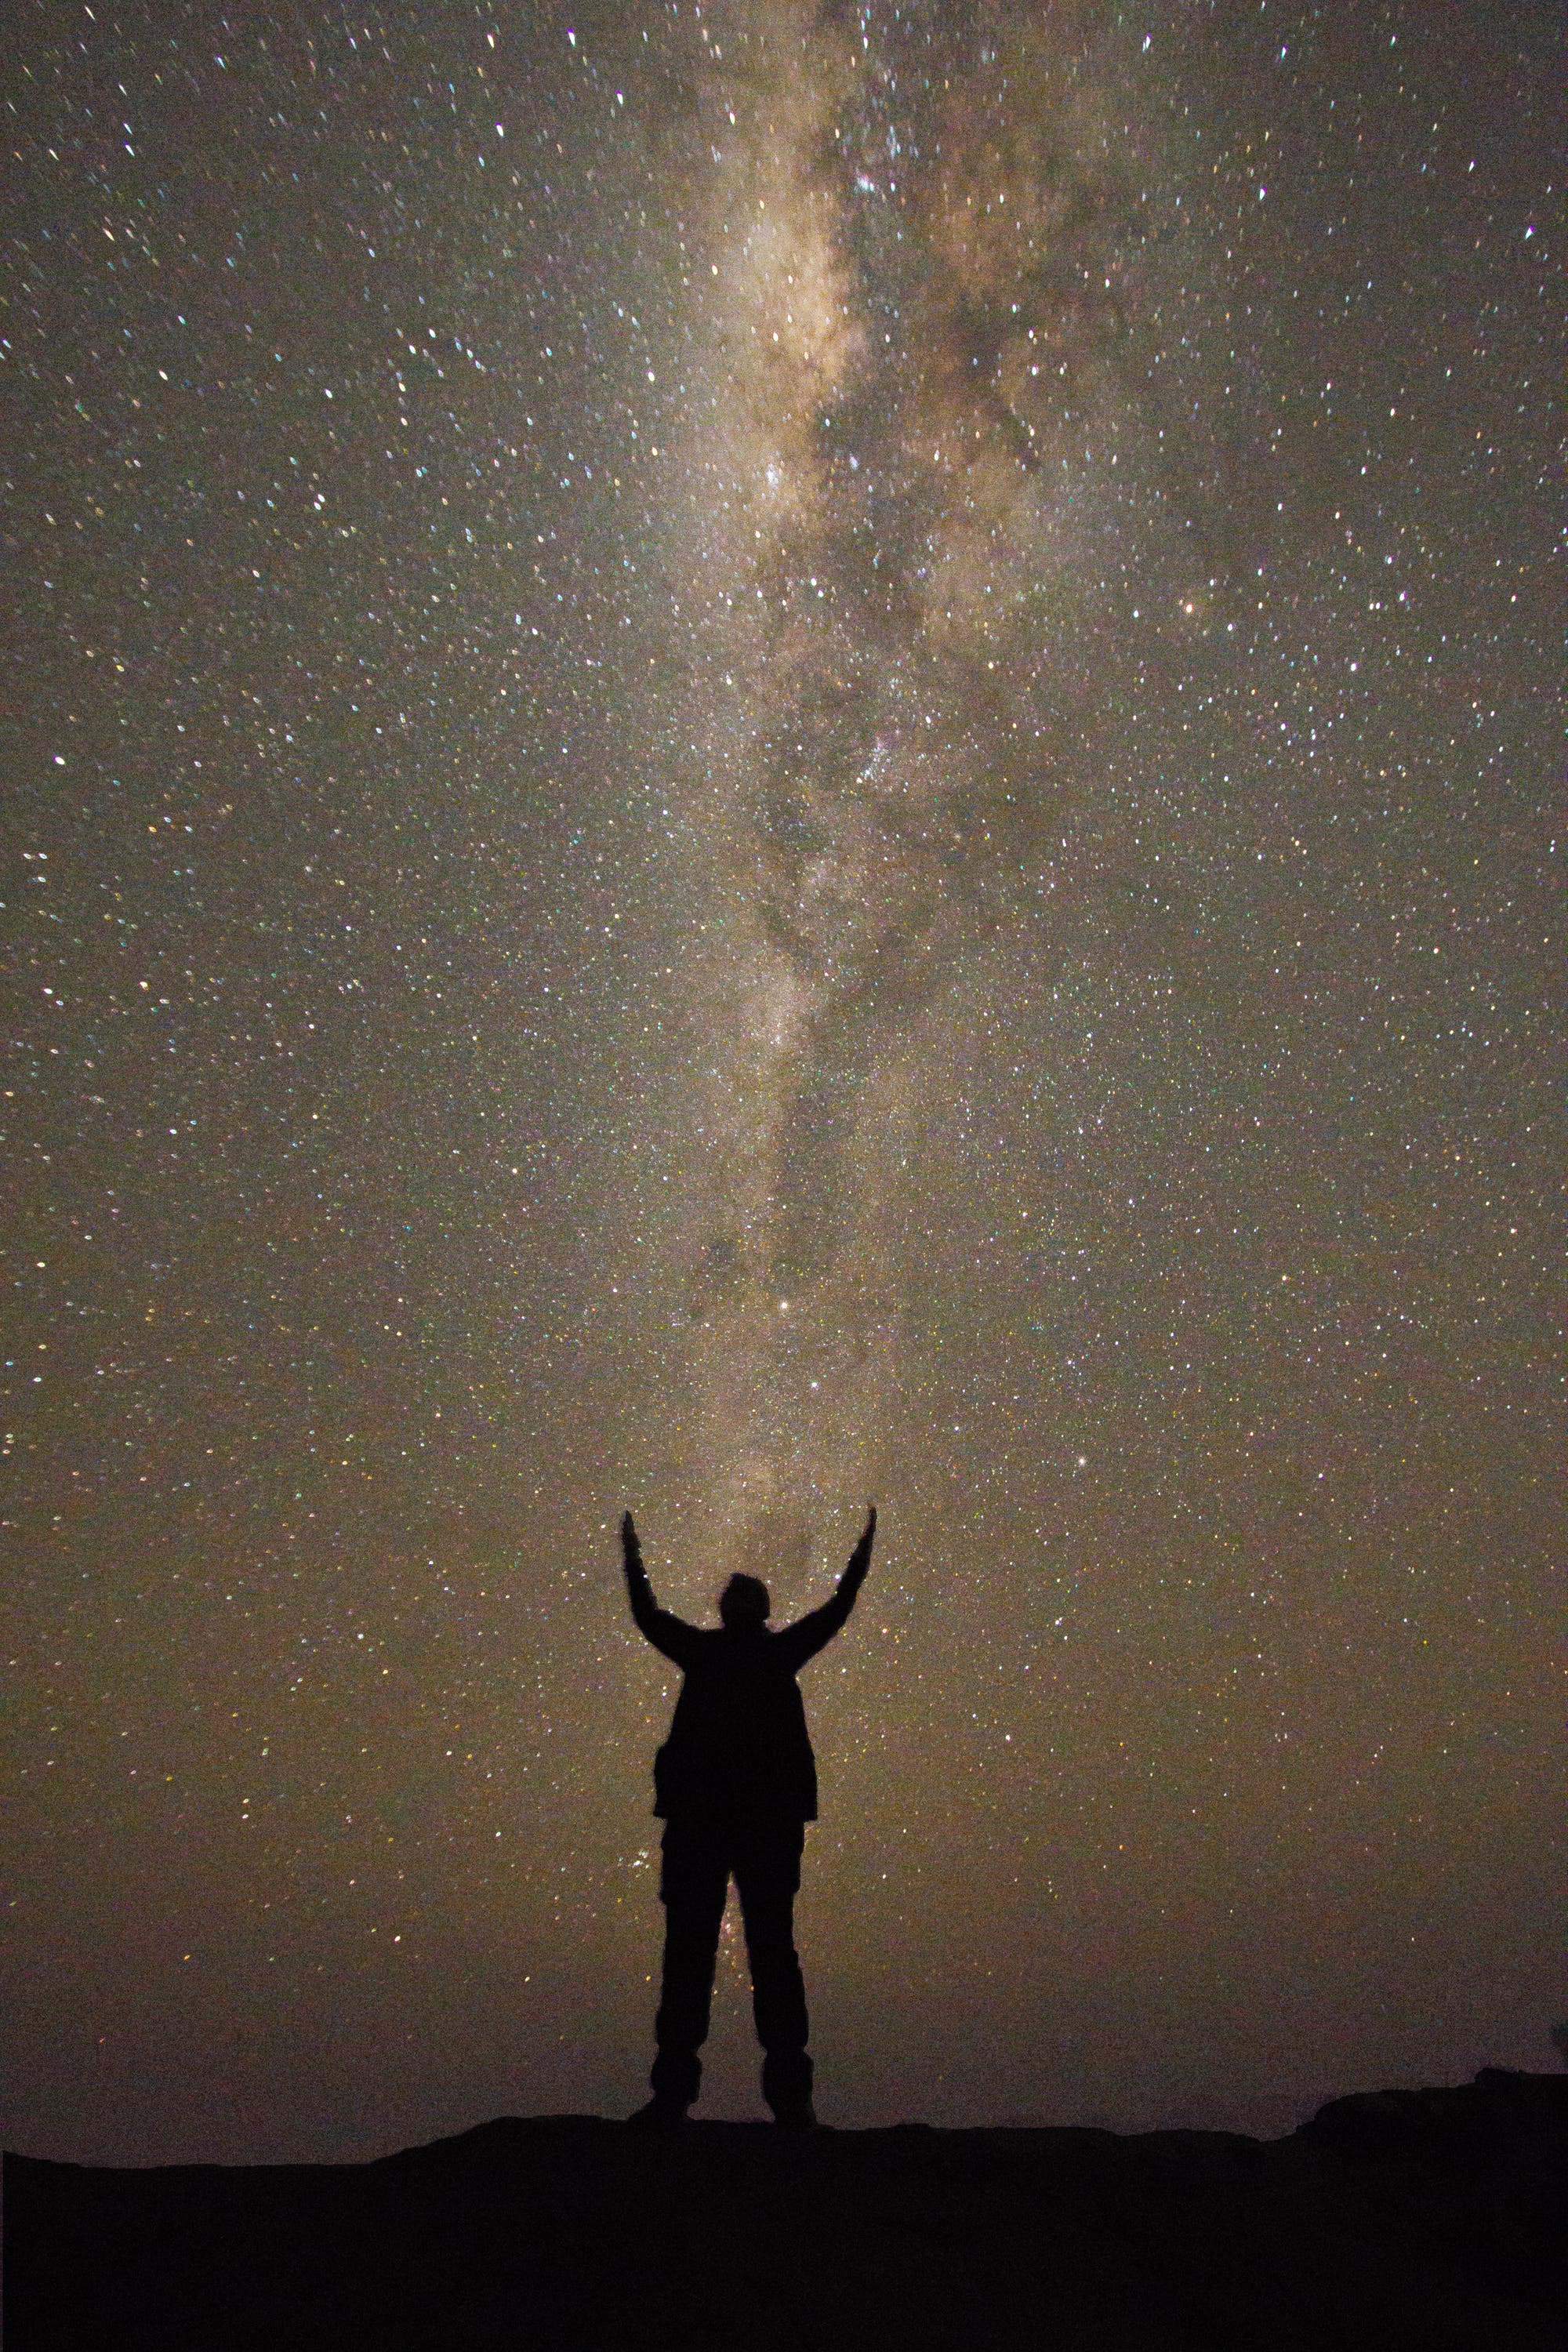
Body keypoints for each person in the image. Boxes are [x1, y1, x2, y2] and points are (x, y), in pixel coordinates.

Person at [620, 1504, 877, 2127]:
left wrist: (632, 1558)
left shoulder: (715, 1655)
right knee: (738, 1951)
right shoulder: (752, 1655)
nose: (732, 1599)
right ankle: (746, 2096)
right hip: (740, 1824)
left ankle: (753, 2096)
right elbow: (649, 1616)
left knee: (731, 1951)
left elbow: (649, 1616)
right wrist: (861, 1556)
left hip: (726, 1824)